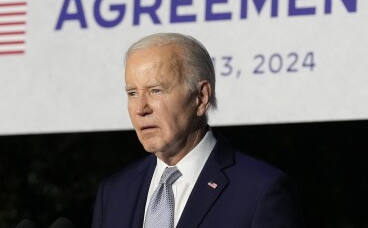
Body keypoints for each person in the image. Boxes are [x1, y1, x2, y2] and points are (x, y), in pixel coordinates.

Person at [91, 33, 305, 228]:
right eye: (132, 93)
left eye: (156, 90)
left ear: (201, 97)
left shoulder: (260, 191)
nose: (141, 109)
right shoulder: (114, 193)